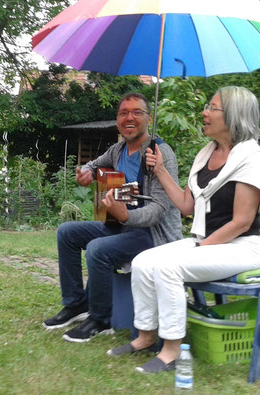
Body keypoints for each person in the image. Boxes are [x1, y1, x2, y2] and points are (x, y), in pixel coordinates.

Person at [107, 86, 260, 373]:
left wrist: (201, 247)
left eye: (212, 107)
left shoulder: (251, 158)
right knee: (143, 261)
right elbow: (186, 206)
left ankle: (172, 350)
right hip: (206, 241)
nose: (204, 113)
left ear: (233, 115)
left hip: (241, 247)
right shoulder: (206, 154)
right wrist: (159, 169)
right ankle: (146, 337)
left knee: (168, 267)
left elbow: (242, 222)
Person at [43, 92, 182, 342]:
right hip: (122, 226)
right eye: (123, 113)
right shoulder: (117, 150)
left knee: (98, 249)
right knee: (67, 231)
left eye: (137, 112)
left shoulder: (160, 153)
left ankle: (100, 319)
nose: (129, 117)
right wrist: (86, 172)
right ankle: (76, 304)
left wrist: (126, 215)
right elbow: (93, 165)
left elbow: (160, 209)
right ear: (117, 119)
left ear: (148, 119)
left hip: (153, 235)